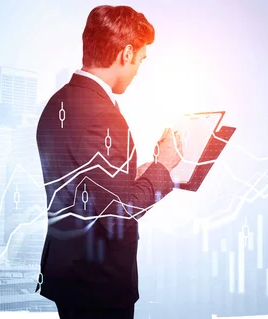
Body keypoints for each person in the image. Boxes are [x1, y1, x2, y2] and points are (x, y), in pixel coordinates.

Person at [35, 5, 182, 319]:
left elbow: (89, 183)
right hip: (99, 284)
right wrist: (163, 167)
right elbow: (119, 213)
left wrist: (135, 174)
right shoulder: (104, 116)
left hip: (70, 275)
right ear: (126, 54)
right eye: (140, 59)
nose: (139, 69)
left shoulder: (57, 103)